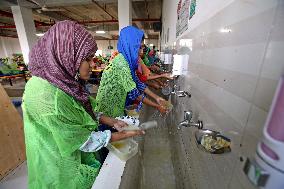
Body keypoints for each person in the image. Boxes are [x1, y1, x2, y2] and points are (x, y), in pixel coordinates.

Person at [22, 21, 144, 189]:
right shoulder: (48, 96)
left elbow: (81, 110)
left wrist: (112, 122)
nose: (93, 64)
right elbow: (84, 141)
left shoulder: (60, 80)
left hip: (69, 149)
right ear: (66, 54)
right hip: (59, 167)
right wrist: (126, 134)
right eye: (87, 59)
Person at [95, 26, 167, 118]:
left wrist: (157, 98)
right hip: (107, 110)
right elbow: (134, 94)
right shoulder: (121, 64)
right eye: (138, 48)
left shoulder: (128, 62)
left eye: (142, 48)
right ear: (129, 45)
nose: (141, 52)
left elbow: (138, 83)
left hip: (118, 105)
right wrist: (157, 106)